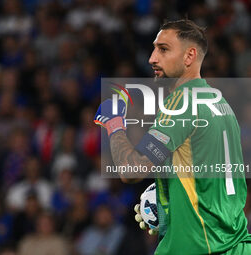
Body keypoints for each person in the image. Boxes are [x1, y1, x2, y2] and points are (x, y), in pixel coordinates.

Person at [94, 19, 251, 254]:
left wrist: (114, 124)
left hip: (197, 247)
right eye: (155, 48)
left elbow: (131, 171)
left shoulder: (182, 102)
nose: (152, 58)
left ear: (189, 56)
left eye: (163, 49)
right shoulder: (220, 102)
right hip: (234, 244)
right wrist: (169, 205)